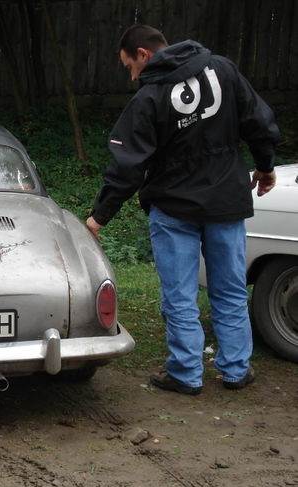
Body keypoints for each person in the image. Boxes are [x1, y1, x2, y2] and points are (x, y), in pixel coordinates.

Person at [86, 25, 280, 395]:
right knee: (230, 289)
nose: (132, 76)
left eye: (130, 66)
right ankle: (237, 369)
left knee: (179, 294)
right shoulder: (222, 69)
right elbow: (257, 119)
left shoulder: (150, 96)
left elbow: (128, 166)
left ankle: (186, 374)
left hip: (174, 209)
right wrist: (266, 164)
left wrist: (99, 216)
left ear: (144, 54)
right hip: (226, 202)